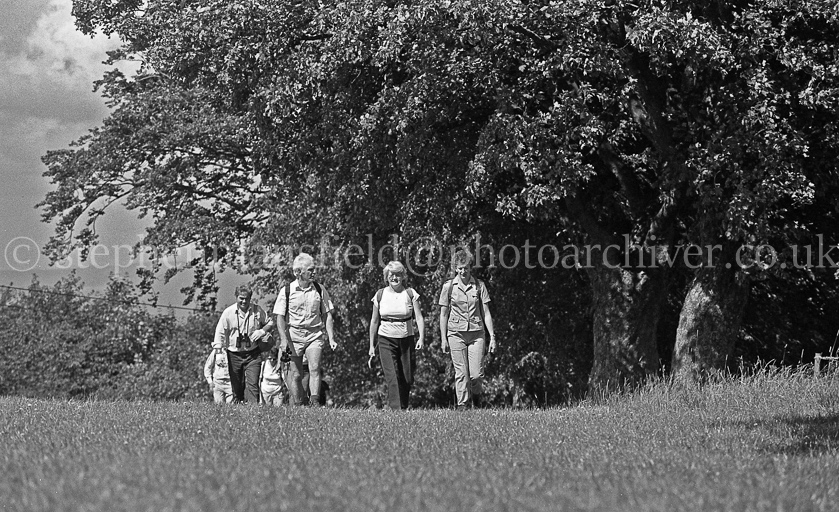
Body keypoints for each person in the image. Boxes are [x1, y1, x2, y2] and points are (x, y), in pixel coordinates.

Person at [273, 253, 337, 406]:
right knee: (295, 375)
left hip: (314, 335)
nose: (314, 272)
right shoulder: (287, 291)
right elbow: (280, 318)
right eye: (310, 270)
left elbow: (328, 314)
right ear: (298, 272)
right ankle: (298, 404)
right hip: (294, 336)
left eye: (314, 269)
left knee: (314, 368)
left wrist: (331, 337)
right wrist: (283, 339)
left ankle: (315, 402)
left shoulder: (319, 290)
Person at [439, 249, 497, 408]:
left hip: (477, 334)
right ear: (455, 268)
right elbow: (443, 314)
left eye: (466, 267)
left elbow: (486, 313)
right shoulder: (449, 287)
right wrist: (443, 338)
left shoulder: (479, 286)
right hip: (455, 334)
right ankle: (462, 406)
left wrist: (492, 336)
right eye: (459, 268)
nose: (463, 271)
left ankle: (477, 398)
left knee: (476, 375)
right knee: (462, 374)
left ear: (471, 267)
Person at [368, 261, 425, 410]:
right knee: (392, 376)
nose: (394, 278)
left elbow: (419, 317)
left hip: (406, 339)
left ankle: (403, 407)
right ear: (386, 277)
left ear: (403, 276)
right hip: (385, 339)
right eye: (391, 275)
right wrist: (371, 346)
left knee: (407, 376)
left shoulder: (410, 293)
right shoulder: (380, 294)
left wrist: (421, 338)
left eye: (398, 275)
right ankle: (396, 410)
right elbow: (374, 321)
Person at [213, 285, 274, 404]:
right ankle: (238, 409)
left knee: (253, 384)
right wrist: (218, 352)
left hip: (253, 353)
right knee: (237, 387)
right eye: (241, 298)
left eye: (246, 298)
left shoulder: (257, 310)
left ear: (250, 298)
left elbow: (270, 322)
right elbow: (220, 332)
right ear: (236, 297)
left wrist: (262, 331)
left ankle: (254, 411)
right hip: (234, 354)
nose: (244, 301)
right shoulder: (228, 313)